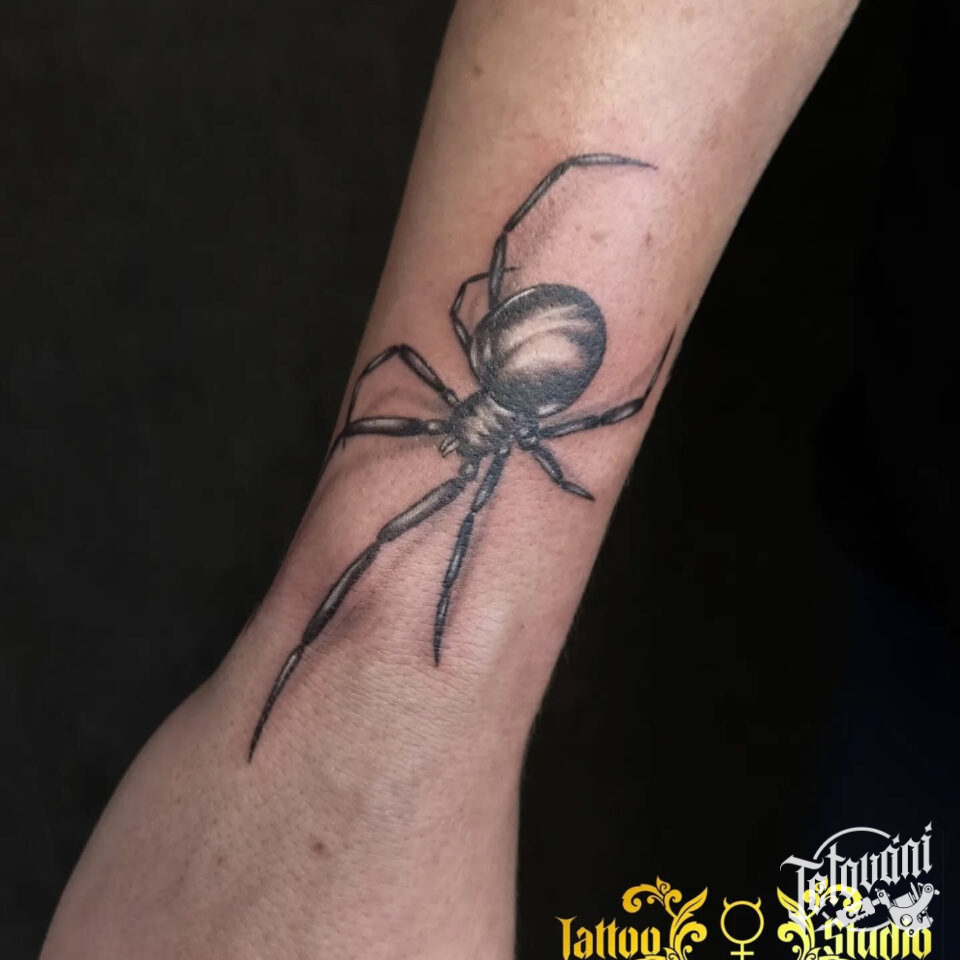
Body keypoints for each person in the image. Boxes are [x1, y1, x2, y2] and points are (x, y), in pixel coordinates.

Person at [40, 0, 859, 956]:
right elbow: (436, 357)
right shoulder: (493, 417)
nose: (450, 448)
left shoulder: (494, 402)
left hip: (537, 376)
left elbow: (555, 395)